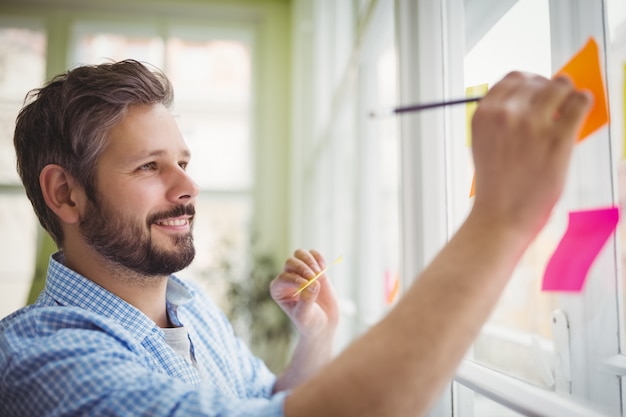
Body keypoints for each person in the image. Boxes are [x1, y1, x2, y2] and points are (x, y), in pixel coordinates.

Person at [0, 59, 591, 417]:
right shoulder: (40, 360)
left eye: (183, 160)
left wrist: (316, 334)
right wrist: (502, 219)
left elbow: (268, 402)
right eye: (150, 167)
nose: (189, 186)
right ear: (66, 195)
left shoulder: (189, 306)